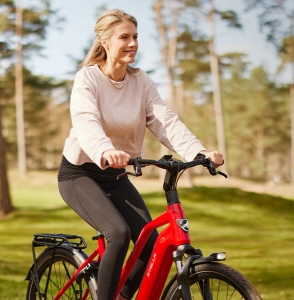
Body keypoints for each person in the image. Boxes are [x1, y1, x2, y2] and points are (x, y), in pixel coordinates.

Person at [57, 9, 223, 300]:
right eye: (124, 37)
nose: (132, 43)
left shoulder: (141, 81)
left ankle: (122, 296)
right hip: (80, 173)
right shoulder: (88, 79)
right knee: (118, 234)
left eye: (135, 37)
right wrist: (106, 150)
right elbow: (86, 121)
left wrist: (199, 151)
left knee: (150, 244)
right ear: (105, 42)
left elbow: (164, 121)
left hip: (117, 174)